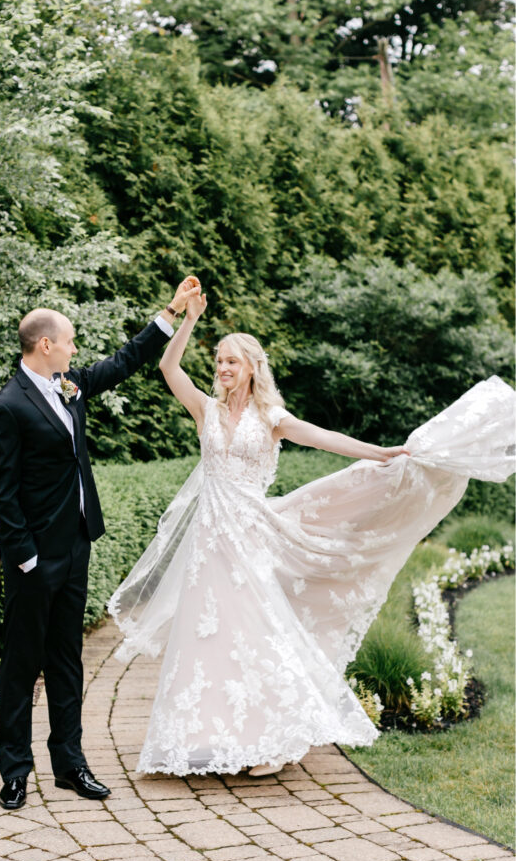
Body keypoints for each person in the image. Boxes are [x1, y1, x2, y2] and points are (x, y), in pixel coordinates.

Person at [109, 290, 516, 778]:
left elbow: (324, 437)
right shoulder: (207, 411)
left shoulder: (271, 418)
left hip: (252, 537)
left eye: (231, 361)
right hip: (209, 543)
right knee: (208, 636)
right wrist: (187, 320)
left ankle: (280, 739)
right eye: (219, 361)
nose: (222, 368)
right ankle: (209, 738)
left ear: (252, 367)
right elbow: (168, 369)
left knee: (258, 634)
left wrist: (380, 453)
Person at [0, 278, 202, 809]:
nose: (77, 349)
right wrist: (27, 557)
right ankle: (14, 770)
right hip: (34, 559)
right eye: (71, 341)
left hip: (76, 546)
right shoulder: (7, 406)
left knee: (66, 661)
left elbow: (124, 361)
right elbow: (2, 494)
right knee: (21, 665)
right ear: (45, 346)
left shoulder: (70, 385)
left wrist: (171, 309)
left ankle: (70, 765)